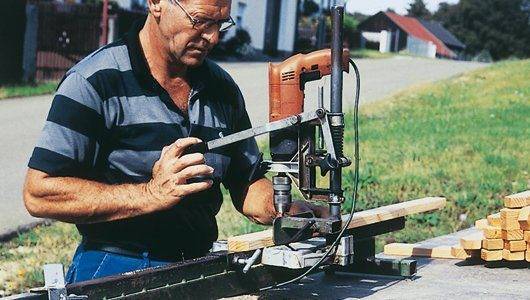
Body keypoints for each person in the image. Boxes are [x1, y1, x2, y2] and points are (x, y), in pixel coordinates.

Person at [23, 0, 327, 283]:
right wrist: (150, 194)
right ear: (156, 3)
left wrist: (288, 209)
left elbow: (246, 184)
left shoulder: (221, 88)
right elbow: (40, 192)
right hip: (115, 266)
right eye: (201, 21)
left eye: (221, 24)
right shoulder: (94, 81)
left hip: (197, 265)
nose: (213, 38)